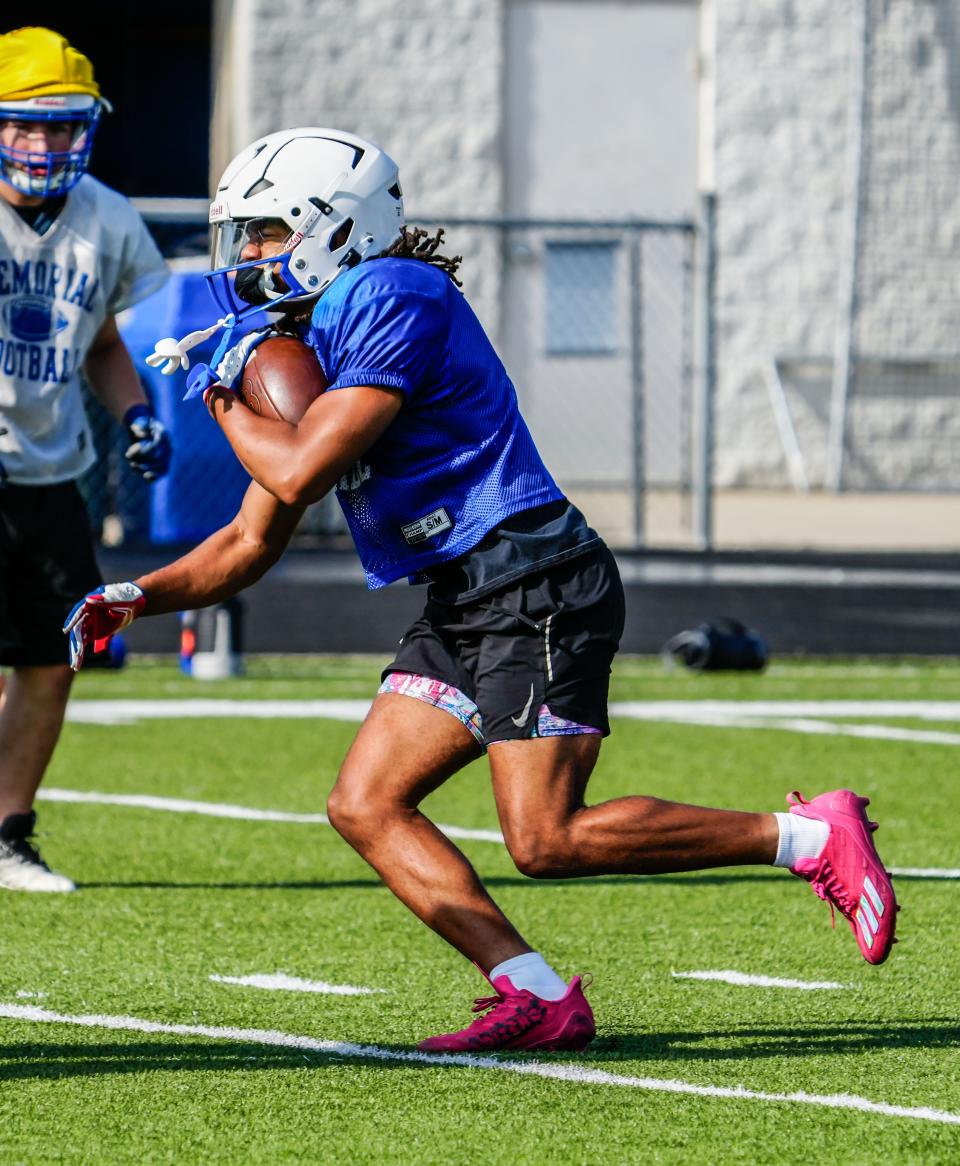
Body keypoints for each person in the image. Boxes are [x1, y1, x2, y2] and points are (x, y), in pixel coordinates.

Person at [64, 127, 898, 1051]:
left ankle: (809, 837)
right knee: (366, 804)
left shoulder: (392, 292)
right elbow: (250, 539)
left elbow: (298, 472)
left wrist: (224, 397)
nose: (250, 257)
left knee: (546, 840)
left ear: (332, 227)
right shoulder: (321, 322)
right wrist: (138, 596)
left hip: (534, 577)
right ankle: (535, 993)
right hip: (467, 593)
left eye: (265, 232)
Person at [0, 27, 171, 892]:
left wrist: (137, 414)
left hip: (48, 465)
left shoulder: (105, 216)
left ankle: (6, 833)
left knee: (49, 653)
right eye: (25, 126)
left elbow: (104, 342)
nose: (44, 144)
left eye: (62, 126)